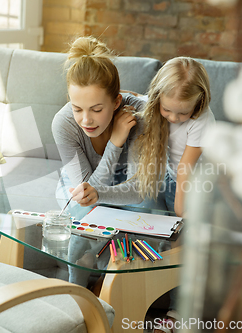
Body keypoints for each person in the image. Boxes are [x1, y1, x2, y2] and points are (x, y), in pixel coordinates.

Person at [69, 57, 215, 331]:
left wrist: (182, 219)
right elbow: (136, 100)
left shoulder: (203, 121)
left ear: (200, 103)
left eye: (183, 114)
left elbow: (184, 172)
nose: (173, 118)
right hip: (163, 176)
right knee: (155, 230)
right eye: (167, 110)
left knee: (183, 244)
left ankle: (179, 314)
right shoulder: (154, 106)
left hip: (191, 182)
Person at [51, 36, 145, 287]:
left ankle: (115, 291)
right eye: (77, 108)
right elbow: (84, 194)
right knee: (83, 217)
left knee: (144, 217)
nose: (86, 120)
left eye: (96, 109)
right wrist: (115, 144)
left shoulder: (137, 116)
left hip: (123, 186)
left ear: (116, 102)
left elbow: (138, 190)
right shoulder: (63, 124)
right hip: (77, 186)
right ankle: (76, 293)